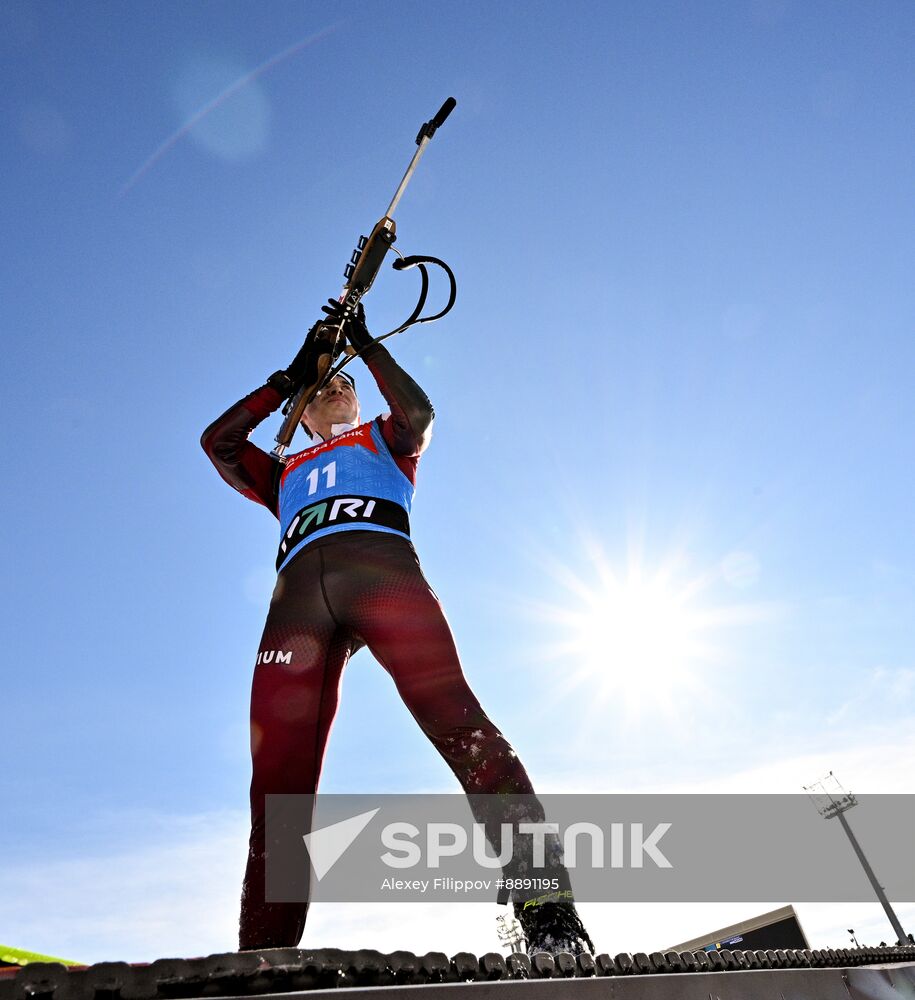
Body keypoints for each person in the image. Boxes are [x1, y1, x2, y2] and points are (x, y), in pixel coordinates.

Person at [200, 302, 593, 955]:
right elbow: (218, 442)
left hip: (385, 582)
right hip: (296, 612)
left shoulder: (383, 436)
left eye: (345, 382)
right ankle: (261, 959)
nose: (336, 387)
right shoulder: (282, 472)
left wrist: (366, 345)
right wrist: (285, 377)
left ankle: (550, 916)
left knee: (464, 729)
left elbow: (420, 414)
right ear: (296, 415)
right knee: (276, 793)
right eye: (321, 387)